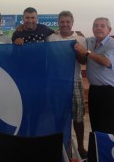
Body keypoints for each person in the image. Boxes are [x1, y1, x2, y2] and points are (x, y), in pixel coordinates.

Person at [47, 11, 87, 159]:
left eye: (67, 22)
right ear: (58, 23)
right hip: (56, 83)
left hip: (74, 82)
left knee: (78, 117)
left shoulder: (80, 38)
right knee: (58, 116)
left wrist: (78, 51)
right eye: (62, 22)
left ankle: (81, 147)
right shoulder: (51, 38)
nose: (64, 24)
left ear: (72, 23)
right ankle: (59, 145)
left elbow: (84, 62)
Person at [75, 17, 114, 134]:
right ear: (92, 28)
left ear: (109, 29)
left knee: (107, 128)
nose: (98, 28)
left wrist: (87, 52)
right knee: (95, 126)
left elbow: (107, 62)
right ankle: (95, 152)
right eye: (96, 26)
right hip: (94, 90)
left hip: (108, 92)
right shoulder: (90, 41)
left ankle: (105, 152)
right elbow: (76, 39)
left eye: (102, 26)